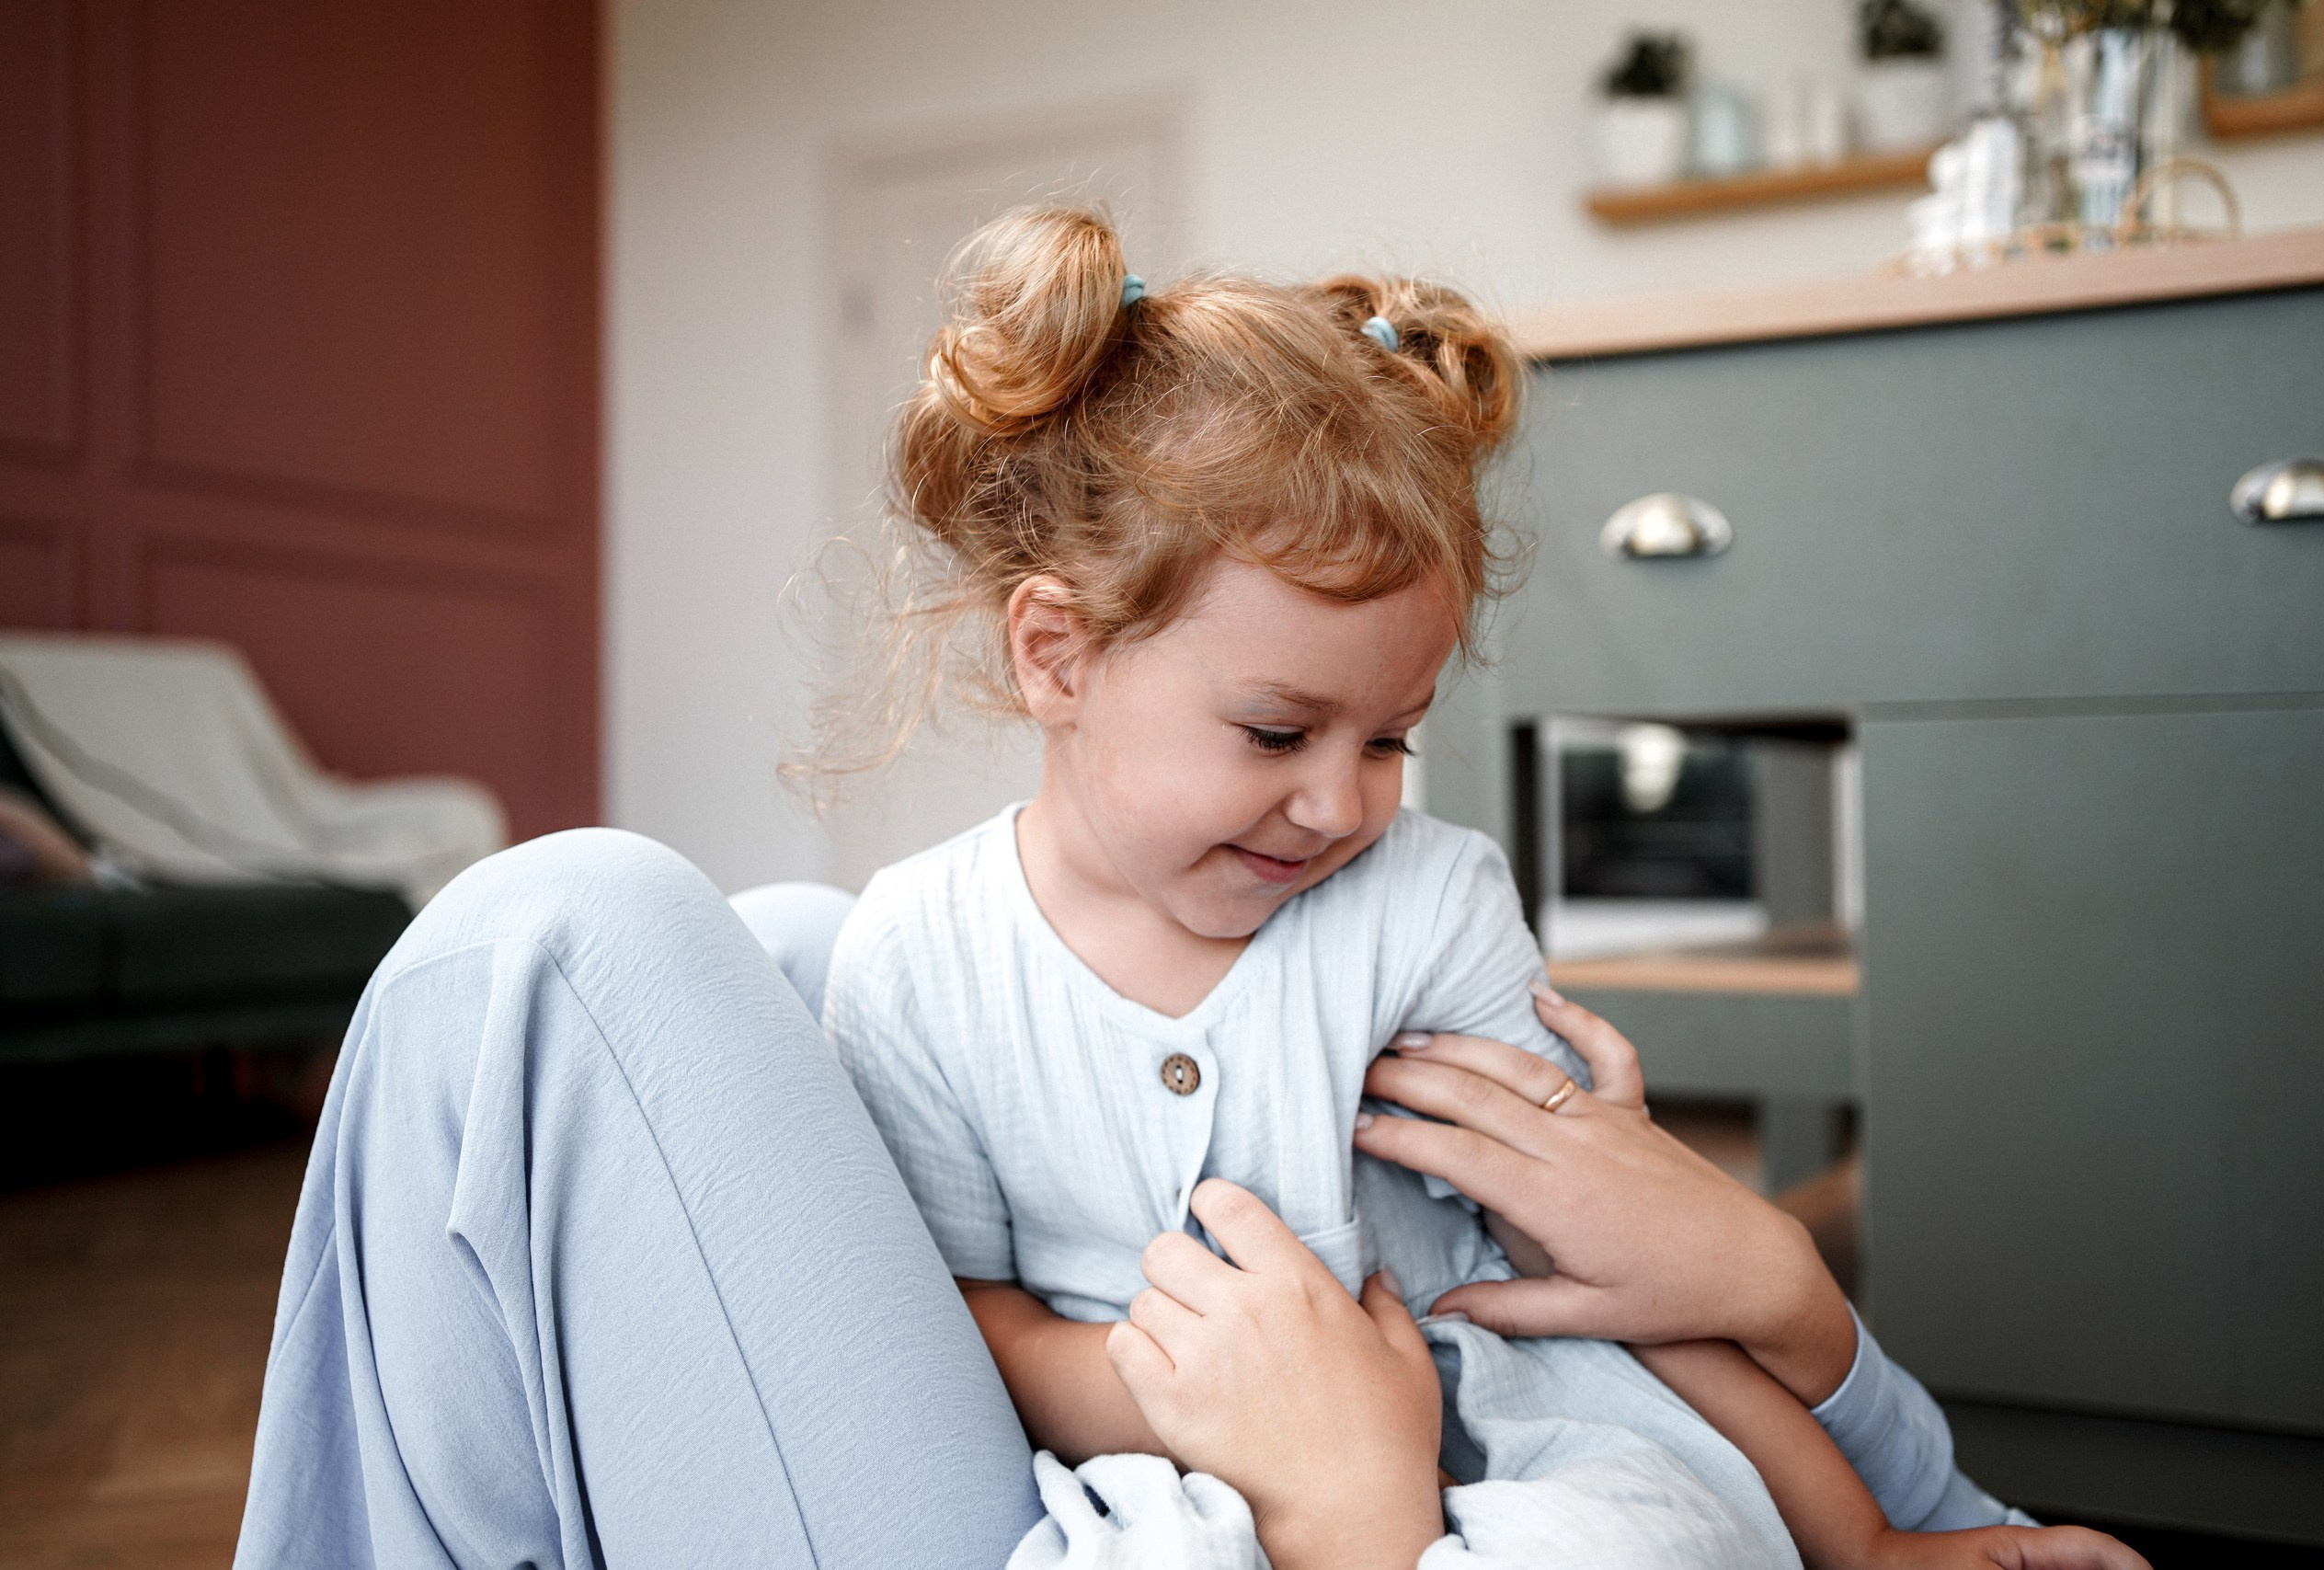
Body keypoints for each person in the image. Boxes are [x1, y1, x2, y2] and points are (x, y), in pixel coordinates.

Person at [815, 206, 2143, 1570]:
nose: (1343, 804)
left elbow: (1612, 1282)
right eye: (1278, 733)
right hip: (1169, 1480)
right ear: (1058, 655)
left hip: (1522, 1454)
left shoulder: (1428, 901)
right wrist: (1228, 1420)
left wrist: (1861, 1540)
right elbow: (966, 1326)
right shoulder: (918, 961)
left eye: (1390, 737)